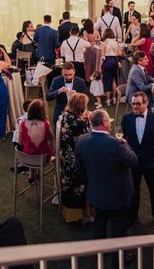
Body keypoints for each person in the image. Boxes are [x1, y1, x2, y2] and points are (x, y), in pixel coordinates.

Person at [75, 109, 138, 241]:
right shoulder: (117, 144)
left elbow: (79, 168)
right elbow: (133, 161)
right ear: (105, 122)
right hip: (118, 195)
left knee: (99, 224)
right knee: (118, 227)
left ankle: (100, 254)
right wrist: (126, 145)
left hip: (96, 192)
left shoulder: (81, 140)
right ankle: (118, 258)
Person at [121, 92, 154, 231]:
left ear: (146, 103)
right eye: (133, 103)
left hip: (151, 163)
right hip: (133, 162)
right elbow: (123, 138)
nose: (135, 106)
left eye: (138, 104)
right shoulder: (126, 118)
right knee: (133, 191)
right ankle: (132, 217)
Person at [58, 93, 92, 222]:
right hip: (77, 163)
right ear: (81, 107)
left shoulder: (65, 116)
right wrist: (88, 120)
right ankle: (87, 212)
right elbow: (90, 137)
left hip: (65, 159)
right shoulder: (80, 123)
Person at [46, 62, 86, 126]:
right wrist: (58, 91)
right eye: (65, 75)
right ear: (62, 72)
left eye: (70, 74)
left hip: (76, 112)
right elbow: (48, 97)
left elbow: (84, 99)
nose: (68, 77)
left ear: (74, 71)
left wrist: (77, 95)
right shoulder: (56, 80)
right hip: (60, 111)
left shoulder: (81, 82)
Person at [99, 28, 122, 106]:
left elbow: (102, 57)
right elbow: (120, 53)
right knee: (114, 80)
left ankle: (108, 100)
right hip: (115, 61)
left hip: (107, 61)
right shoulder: (116, 42)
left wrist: (100, 67)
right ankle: (114, 98)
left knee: (107, 81)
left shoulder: (104, 43)